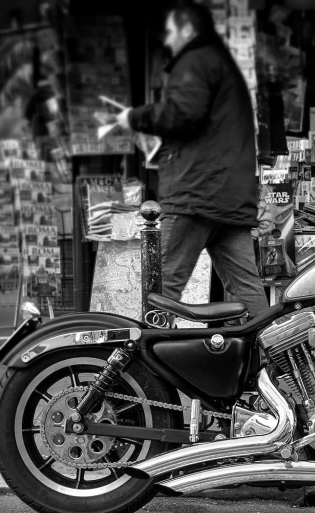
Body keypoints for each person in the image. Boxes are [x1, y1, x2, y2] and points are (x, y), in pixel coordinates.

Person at [113, 2, 268, 319]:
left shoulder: (196, 60)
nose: (167, 40)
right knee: (247, 288)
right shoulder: (222, 64)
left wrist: (135, 116)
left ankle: (149, 367)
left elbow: (183, 113)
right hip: (229, 198)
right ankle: (272, 361)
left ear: (187, 30)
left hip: (197, 194)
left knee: (162, 286)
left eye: (171, 32)